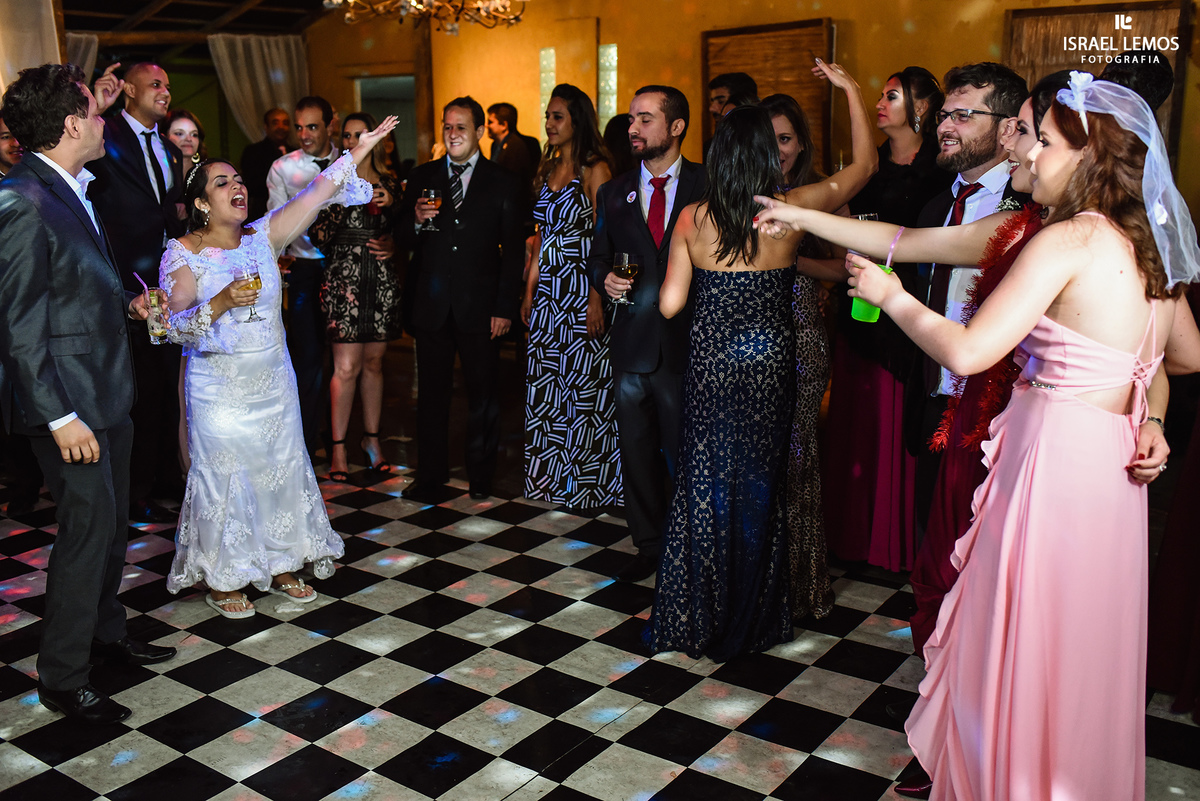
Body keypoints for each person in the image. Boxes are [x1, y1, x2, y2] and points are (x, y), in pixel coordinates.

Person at [760, 70, 1200, 801]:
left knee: (1022, 636)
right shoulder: (1141, 246)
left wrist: (892, 297)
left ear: (1089, 156)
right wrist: (1144, 407)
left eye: (1040, 140)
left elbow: (969, 352)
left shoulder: (1068, 239)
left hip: (1052, 464)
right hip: (1109, 475)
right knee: (1082, 644)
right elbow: (1180, 353)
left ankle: (1012, 777)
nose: (1023, 154)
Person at [160, 117, 396, 617]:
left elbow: (316, 191)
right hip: (219, 385)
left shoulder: (264, 236)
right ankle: (225, 575)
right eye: (221, 183)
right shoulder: (182, 252)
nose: (237, 188)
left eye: (238, 181)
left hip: (272, 381)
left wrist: (361, 149)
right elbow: (175, 327)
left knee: (278, 469)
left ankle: (284, 559)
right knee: (226, 477)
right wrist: (221, 301)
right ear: (202, 203)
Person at [0, 63, 176, 726]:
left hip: (108, 389)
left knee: (109, 529)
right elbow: (17, 328)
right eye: (94, 112)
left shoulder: (71, 185)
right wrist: (62, 416)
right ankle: (62, 674)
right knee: (84, 532)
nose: (104, 119)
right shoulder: (20, 199)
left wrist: (129, 303)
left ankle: (107, 634)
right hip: (69, 405)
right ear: (73, 124)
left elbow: (71, 288)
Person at [822, 67, 954, 576]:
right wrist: (852, 94)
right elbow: (856, 175)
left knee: (891, 423)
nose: (882, 103)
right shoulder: (873, 166)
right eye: (879, 94)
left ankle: (890, 547)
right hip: (860, 303)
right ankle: (850, 538)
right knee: (854, 423)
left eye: (891, 95)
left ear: (920, 107)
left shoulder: (938, 173)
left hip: (908, 309)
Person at [901, 62, 1030, 567]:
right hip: (935, 391)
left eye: (962, 116)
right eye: (944, 116)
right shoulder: (934, 206)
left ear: (1006, 129)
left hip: (998, 404)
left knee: (988, 548)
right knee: (930, 540)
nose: (945, 127)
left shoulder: (1027, 206)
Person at [586, 84, 706, 583]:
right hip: (632, 343)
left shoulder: (709, 182)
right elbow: (598, 256)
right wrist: (605, 279)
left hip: (689, 343)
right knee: (635, 450)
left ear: (676, 127)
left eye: (645, 119)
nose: (632, 129)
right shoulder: (614, 191)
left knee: (687, 450)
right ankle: (650, 545)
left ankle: (692, 542)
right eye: (631, 120)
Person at [400, 96, 524, 501]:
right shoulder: (422, 177)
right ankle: (431, 475)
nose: (452, 135)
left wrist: (505, 308)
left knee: (483, 396)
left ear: (479, 132)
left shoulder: (502, 181)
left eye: (461, 128)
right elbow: (400, 239)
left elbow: (514, 252)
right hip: (432, 307)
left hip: (482, 307)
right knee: (431, 397)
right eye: (447, 127)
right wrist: (416, 222)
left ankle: (481, 476)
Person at [88, 61, 188, 524]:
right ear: (128, 89)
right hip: (124, 282)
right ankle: (132, 492)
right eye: (155, 84)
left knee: (170, 382)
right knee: (137, 390)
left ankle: (170, 477)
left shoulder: (169, 148)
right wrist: (96, 104)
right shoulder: (102, 135)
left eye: (167, 86)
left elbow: (169, 208)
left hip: (167, 282)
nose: (165, 92)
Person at [519, 84, 619, 509]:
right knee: (546, 385)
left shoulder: (595, 168)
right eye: (547, 116)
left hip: (581, 286)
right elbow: (540, 239)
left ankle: (586, 483)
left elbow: (606, 235)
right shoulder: (547, 167)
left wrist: (596, 299)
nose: (549, 124)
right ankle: (548, 480)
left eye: (557, 116)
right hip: (548, 290)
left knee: (582, 386)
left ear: (577, 119)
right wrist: (529, 290)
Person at [308, 112, 402, 482]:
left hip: (380, 279)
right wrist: (341, 195)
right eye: (346, 136)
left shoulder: (390, 184)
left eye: (358, 135)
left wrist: (393, 224)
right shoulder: (331, 181)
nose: (350, 142)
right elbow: (317, 237)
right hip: (343, 280)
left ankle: (372, 441)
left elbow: (408, 232)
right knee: (345, 367)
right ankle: (338, 448)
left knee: (375, 365)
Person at [267, 96, 338, 459]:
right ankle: (308, 445)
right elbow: (276, 224)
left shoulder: (349, 160)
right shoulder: (283, 168)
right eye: (300, 127)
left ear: (330, 124)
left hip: (347, 268)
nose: (305, 134)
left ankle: (340, 440)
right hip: (305, 269)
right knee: (308, 359)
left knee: (347, 362)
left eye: (312, 126)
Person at [241, 107, 292, 221]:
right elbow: (251, 184)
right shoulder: (253, 151)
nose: (281, 127)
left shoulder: (296, 152)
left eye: (285, 123)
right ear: (266, 127)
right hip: (262, 216)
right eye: (275, 123)